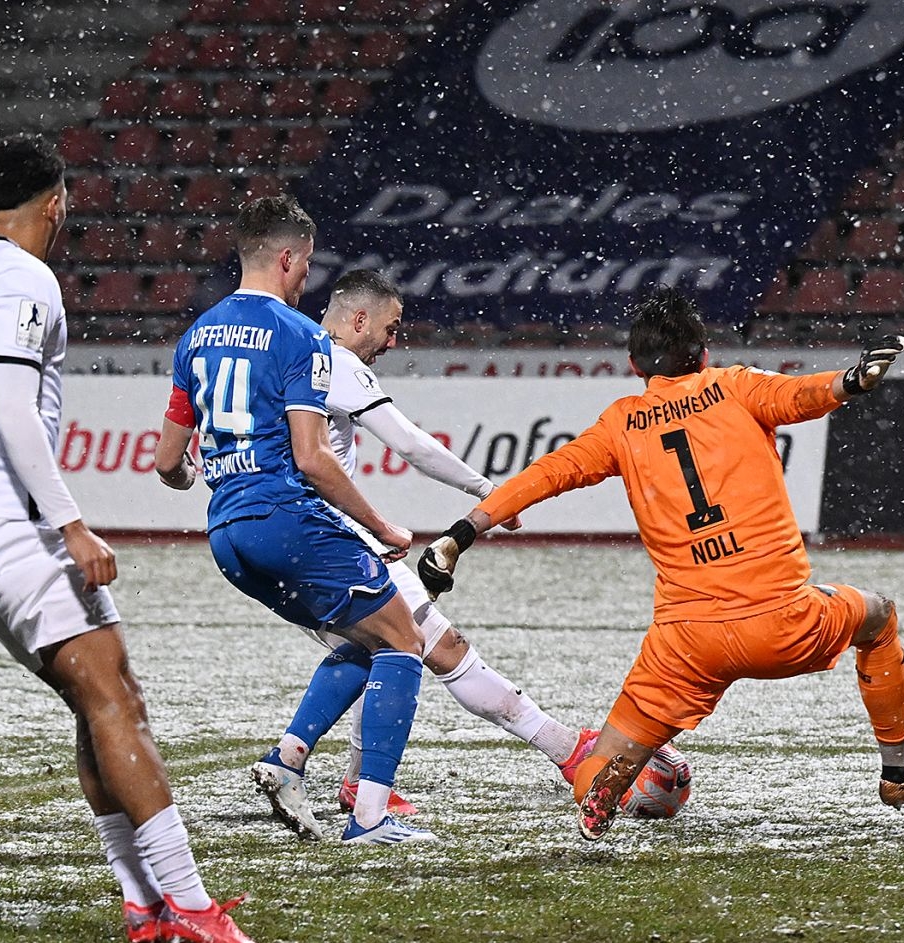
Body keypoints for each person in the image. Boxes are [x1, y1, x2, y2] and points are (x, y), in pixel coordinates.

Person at [0, 134, 277, 943]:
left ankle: (145, 901)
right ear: (57, 203)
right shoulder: (24, 276)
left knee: (97, 691)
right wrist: (70, 522)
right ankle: (187, 901)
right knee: (116, 697)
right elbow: (10, 411)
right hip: (3, 518)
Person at [418, 291, 904, 841]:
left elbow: (547, 474)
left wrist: (463, 532)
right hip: (779, 619)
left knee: (592, 771)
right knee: (878, 616)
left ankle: (610, 782)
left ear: (635, 366)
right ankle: (899, 769)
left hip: (685, 642)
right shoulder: (733, 386)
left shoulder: (621, 423)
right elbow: (800, 395)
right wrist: (848, 381)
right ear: (703, 354)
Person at [256, 268, 689, 836]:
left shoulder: (280, 351)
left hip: (268, 533)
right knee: (431, 646)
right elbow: (409, 442)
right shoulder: (330, 360)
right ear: (357, 319)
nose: (392, 342)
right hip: (320, 535)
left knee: (373, 647)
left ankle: (304, 765)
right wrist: (489, 493)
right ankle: (564, 750)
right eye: (389, 328)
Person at [152, 197, 433, 846]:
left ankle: (287, 761)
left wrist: (197, 475)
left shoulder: (196, 335)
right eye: (306, 263)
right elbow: (313, 458)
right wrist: (382, 524)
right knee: (402, 640)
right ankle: (368, 818)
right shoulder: (302, 335)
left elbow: (167, 460)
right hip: (282, 515)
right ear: (286, 258)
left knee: (361, 640)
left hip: (227, 534)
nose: (308, 277)